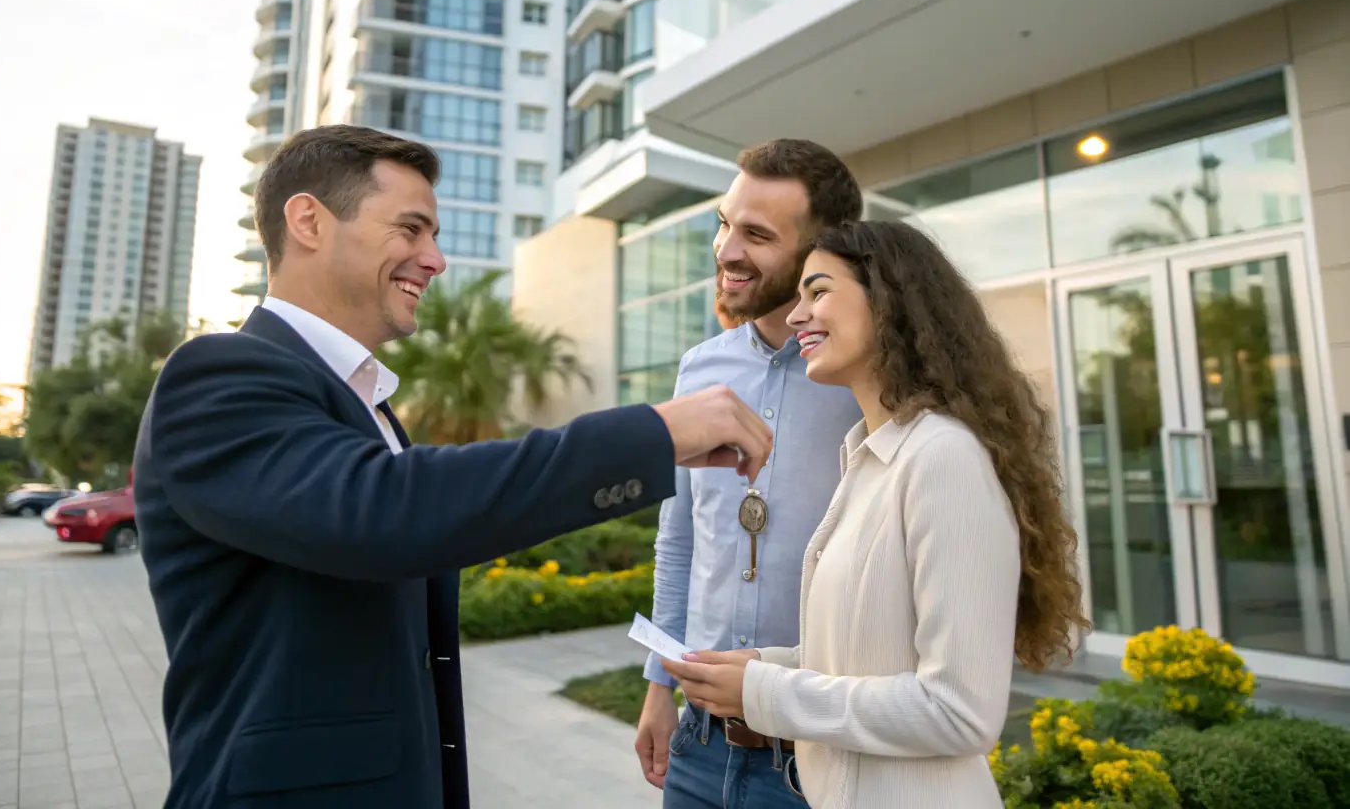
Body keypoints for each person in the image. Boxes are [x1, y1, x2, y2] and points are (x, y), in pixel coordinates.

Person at [133, 126, 773, 809]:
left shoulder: (364, 403)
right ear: (309, 220)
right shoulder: (217, 375)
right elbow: (385, 512)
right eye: (410, 229)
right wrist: (649, 434)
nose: (434, 259)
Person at [663, 219, 1090, 809]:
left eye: (819, 292)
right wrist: (764, 664)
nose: (795, 315)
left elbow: (960, 711)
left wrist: (765, 691)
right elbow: (867, 657)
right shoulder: (869, 453)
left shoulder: (942, 457)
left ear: (887, 300)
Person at [635, 140, 865, 809]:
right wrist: (658, 686)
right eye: (724, 223)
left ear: (821, 251)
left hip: (818, 758)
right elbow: (680, 540)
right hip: (698, 746)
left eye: (757, 235)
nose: (727, 249)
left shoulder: (866, 380)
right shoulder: (698, 367)